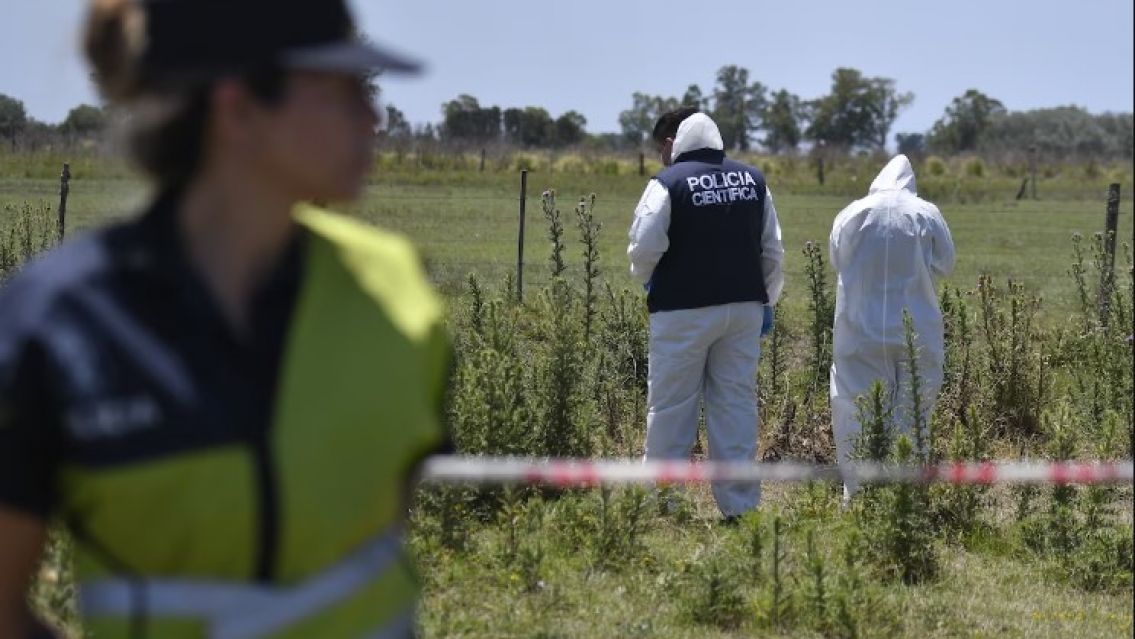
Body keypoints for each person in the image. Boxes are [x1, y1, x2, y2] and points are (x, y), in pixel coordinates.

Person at [0, 1, 450, 636]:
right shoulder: (60, 323)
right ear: (237, 108)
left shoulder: (400, 295)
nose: (373, 120)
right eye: (339, 89)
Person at [627, 108, 784, 520]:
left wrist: (649, 282)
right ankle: (741, 508)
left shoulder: (666, 183)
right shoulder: (753, 181)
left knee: (672, 408)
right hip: (744, 311)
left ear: (674, 147)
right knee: (735, 406)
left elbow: (644, 249)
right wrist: (766, 301)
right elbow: (772, 252)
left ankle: (664, 504)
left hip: (682, 312)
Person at [829, 154, 955, 504]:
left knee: (854, 407)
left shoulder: (851, 213)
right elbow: (946, 263)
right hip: (915, 328)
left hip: (859, 327)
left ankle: (857, 494)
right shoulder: (926, 212)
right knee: (914, 409)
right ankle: (904, 495)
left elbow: (836, 258)